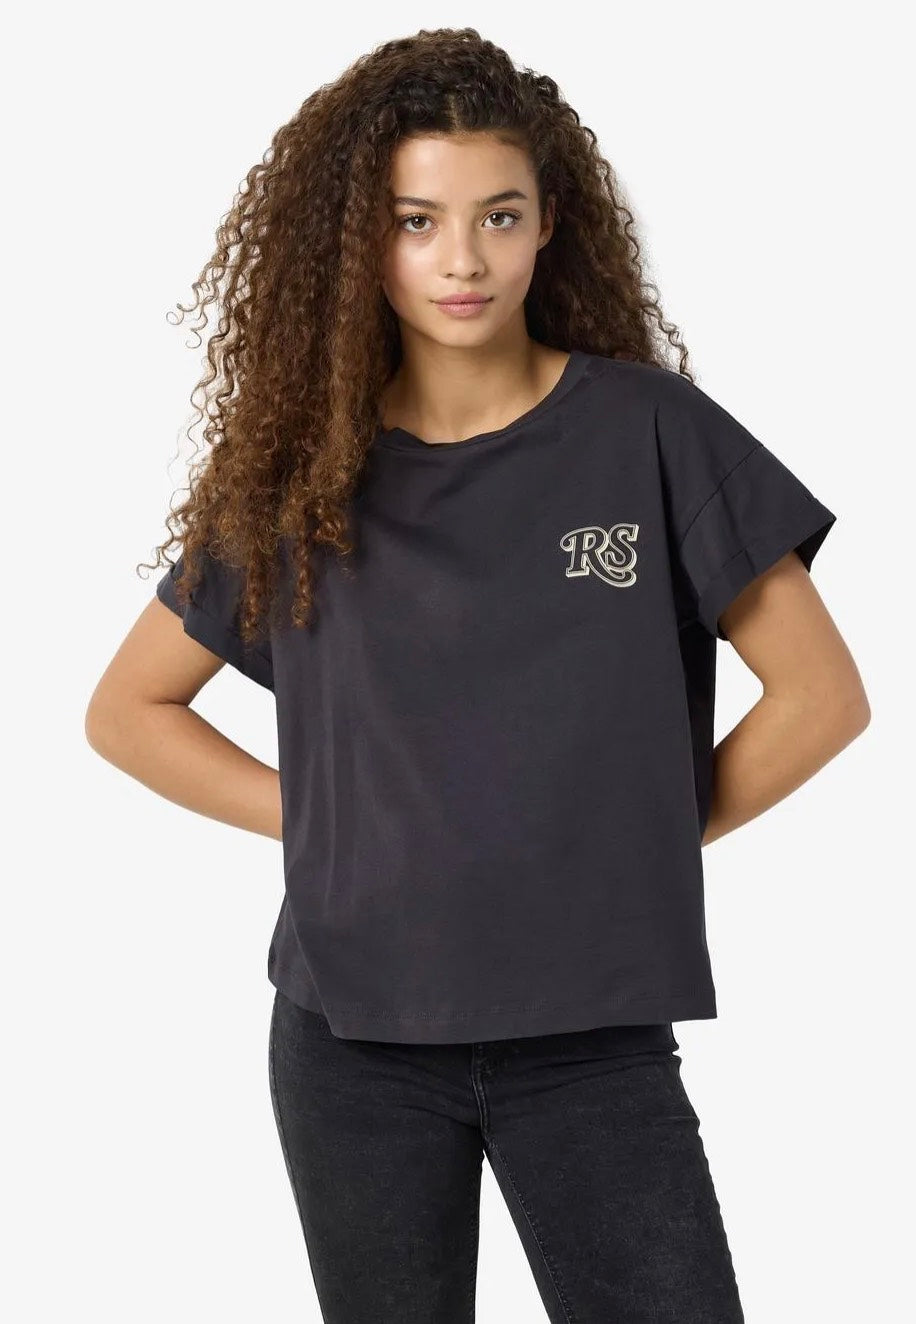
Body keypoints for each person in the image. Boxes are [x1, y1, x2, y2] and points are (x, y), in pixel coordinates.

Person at [84, 26, 870, 1324]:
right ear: (363, 241)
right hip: (353, 1042)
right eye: (418, 221)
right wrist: (331, 820)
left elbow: (823, 697)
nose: (463, 259)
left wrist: (632, 836)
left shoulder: (648, 431)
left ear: (548, 222)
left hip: (590, 1039)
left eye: (499, 215)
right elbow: (129, 709)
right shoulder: (304, 474)